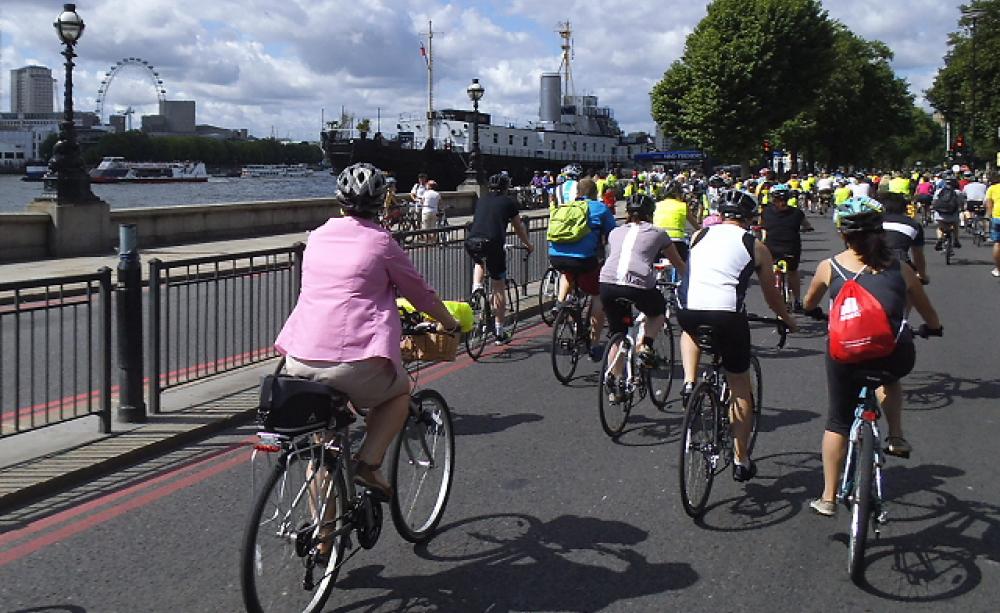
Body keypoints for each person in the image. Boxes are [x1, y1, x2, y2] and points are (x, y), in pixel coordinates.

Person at [275, 163, 460, 501]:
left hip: (298, 358)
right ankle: (369, 464)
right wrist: (450, 323)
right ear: (380, 205)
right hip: (350, 361)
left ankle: (323, 543)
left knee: (324, 451)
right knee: (398, 392)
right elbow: (420, 295)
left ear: (339, 203)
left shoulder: (315, 238)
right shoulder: (381, 243)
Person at [802, 197, 942, 516]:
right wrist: (934, 328)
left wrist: (813, 312)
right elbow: (927, 311)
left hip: (846, 354)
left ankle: (828, 497)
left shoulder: (830, 266)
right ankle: (896, 436)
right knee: (890, 379)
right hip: (893, 353)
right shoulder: (901, 267)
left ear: (842, 233)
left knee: (838, 420)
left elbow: (810, 304)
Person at [678, 189, 798, 482]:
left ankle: (689, 381)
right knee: (740, 386)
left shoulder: (698, 237)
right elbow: (771, 296)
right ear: (750, 218)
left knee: (690, 331)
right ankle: (741, 458)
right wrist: (788, 319)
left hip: (689, 309)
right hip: (727, 315)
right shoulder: (755, 245)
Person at [599, 195, 686, 400]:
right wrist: (689, 281)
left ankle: (614, 380)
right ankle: (645, 344)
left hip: (607, 283)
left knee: (617, 332)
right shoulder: (658, 233)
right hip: (637, 285)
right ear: (650, 214)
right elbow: (678, 263)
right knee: (658, 312)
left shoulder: (616, 231)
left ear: (628, 214)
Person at [548, 178, 617, 360]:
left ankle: (560, 303)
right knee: (597, 296)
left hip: (556, 256)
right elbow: (614, 235)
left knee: (567, 273)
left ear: (577, 192)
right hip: (585, 260)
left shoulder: (566, 207)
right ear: (595, 193)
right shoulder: (600, 208)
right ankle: (594, 346)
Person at [465, 173, 535, 343]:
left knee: (479, 261)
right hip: (494, 243)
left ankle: (476, 290)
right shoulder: (508, 202)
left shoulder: (482, 200)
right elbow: (518, 227)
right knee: (499, 287)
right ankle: (499, 331)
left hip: (472, 241)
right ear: (506, 187)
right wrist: (528, 244)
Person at [761, 184, 814, 311]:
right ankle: (796, 300)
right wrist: (807, 228)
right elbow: (807, 225)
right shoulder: (797, 213)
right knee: (793, 272)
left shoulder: (766, 212)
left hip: (771, 248)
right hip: (791, 248)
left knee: (770, 270)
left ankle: (774, 294)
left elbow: (761, 226)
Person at [877, 191, 928, 284]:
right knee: (914, 293)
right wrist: (922, 275)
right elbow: (918, 255)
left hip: (871, 261)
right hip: (899, 262)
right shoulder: (913, 224)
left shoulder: (872, 221)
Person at [652, 179, 698, 261]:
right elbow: (695, 226)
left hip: (658, 241)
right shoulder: (682, 206)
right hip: (677, 241)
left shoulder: (657, 205)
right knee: (684, 267)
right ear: (679, 194)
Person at [932, 177, 964, 250]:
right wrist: (961, 209)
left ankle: (940, 238)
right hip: (953, 215)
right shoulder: (958, 192)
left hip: (940, 216)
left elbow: (934, 202)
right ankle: (956, 240)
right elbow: (961, 203)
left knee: (939, 228)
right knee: (956, 225)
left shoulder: (939, 191)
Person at [986, 174, 1000, 277]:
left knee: (997, 243)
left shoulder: (992, 189)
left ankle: (998, 269)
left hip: (998, 217)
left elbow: (989, 205)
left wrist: (989, 217)